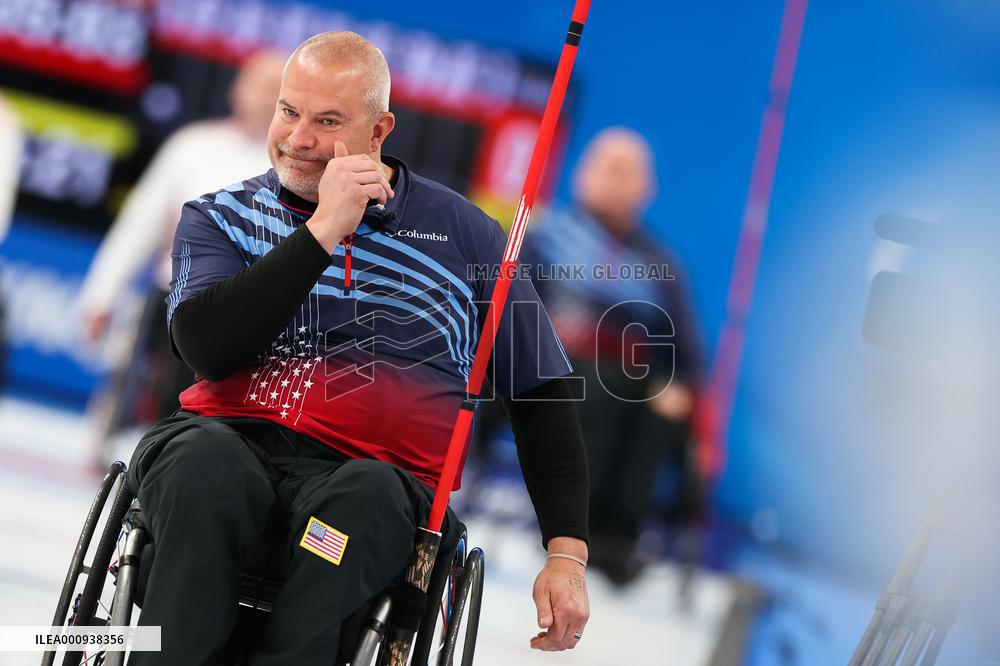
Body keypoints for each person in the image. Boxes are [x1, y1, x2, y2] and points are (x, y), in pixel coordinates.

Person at [126, 32, 590, 665]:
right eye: (289, 111)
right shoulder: (219, 216)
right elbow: (207, 350)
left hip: (370, 486)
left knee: (357, 505)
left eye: (327, 121)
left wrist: (565, 555)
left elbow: (542, 396)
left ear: (380, 130)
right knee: (207, 470)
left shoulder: (472, 239)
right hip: (224, 446)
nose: (298, 138)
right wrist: (323, 230)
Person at [77, 51, 285, 461]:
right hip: (172, 300)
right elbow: (140, 224)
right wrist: (100, 294)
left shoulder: (296, 171)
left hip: (247, 320)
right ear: (237, 88)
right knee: (135, 415)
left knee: (200, 428)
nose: (266, 99)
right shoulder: (192, 146)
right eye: (260, 86)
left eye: (278, 91)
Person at [521, 127, 704, 585]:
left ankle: (616, 539)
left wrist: (678, 389)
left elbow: (686, 354)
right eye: (605, 167)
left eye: (626, 172)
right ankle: (571, 530)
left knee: (657, 406)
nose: (613, 180)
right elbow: (506, 313)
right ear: (581, 174)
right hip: (547, 369)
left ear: (648, 188)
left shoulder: (662, 266)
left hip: (630, 383)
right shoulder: (542, 238)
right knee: (601, 384)